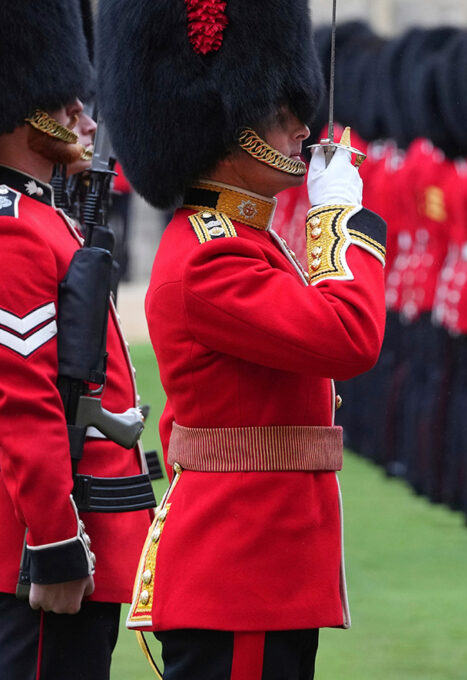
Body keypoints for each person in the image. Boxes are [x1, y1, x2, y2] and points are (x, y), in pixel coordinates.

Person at [96, 1, 387, 677]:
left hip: (264, 565)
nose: (301, 129)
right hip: (239, 570)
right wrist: (340, 218)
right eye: (279, 114)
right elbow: (349, 336)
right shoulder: (212, 257)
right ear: (229, 129)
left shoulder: (247, 240)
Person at [0, 1, 155, 678]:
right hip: (39, 550)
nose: (87, 121)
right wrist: (56, 541)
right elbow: (24, 400)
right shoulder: (15, 229)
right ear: (24, 113)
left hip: (76, 535)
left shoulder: (45, 218)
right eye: (68, 108)